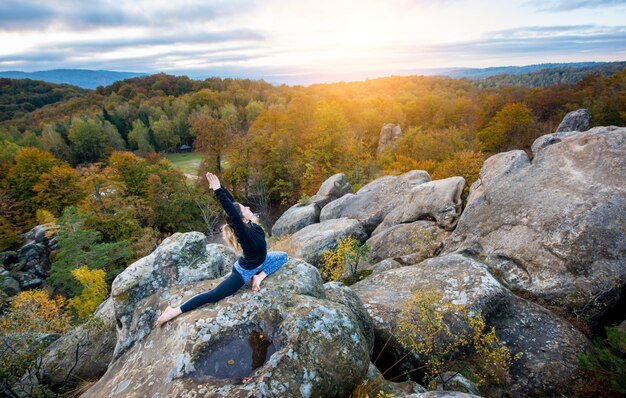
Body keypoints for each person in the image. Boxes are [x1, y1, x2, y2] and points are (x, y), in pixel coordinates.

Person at [155, 172, 288, 328]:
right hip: (244, 271)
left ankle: (259, 277)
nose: (248, 207)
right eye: (245, 208)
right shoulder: (243, 232)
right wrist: (218, 192)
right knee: (214, 295)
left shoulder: (249, 224)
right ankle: (173, 311)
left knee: (283, 256)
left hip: (262, 262)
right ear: (241, 218)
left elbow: (233, 204)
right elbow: (233, 211)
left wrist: (221, 187)